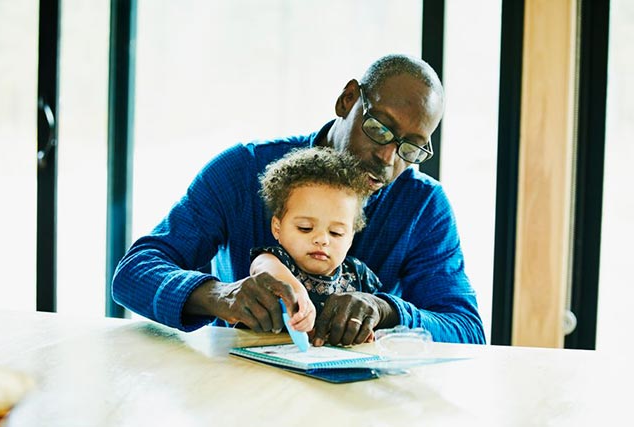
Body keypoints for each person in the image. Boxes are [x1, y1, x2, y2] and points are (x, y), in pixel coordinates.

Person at [112, 53, 486, 346]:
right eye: (379, 129)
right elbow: (133, 273)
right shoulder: (244, 171)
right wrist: (220, 295)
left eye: (411, 149)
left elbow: (467, 330)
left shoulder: (423, 206)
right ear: (347, 100)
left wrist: (384, 309)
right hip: (241, 387)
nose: (388, 159)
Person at [250, 146, 382, 343]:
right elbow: (263, 269)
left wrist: (365, 330)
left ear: (351, 237)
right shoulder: (276, 260)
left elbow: (372, 313)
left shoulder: (359, 275)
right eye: (305, 228)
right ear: (277, 228)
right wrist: (295, 291)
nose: (322, 239)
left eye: (336, 232)